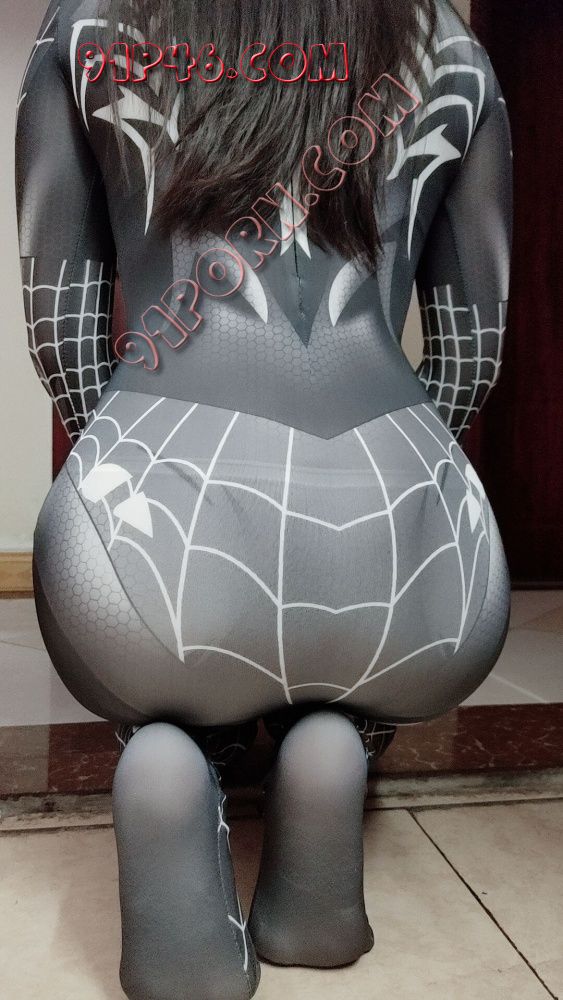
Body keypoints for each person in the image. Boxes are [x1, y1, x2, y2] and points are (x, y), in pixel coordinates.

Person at [14, 0, 513, 996]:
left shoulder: (87, 27)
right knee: (347, 682)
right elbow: (472, 351)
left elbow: (61, 328)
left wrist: (109, 471)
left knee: (154, 674)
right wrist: (421, 488)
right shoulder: (452, 48)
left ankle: (172, 782)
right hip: (420, 571)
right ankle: (327, 783)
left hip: (158, 555)